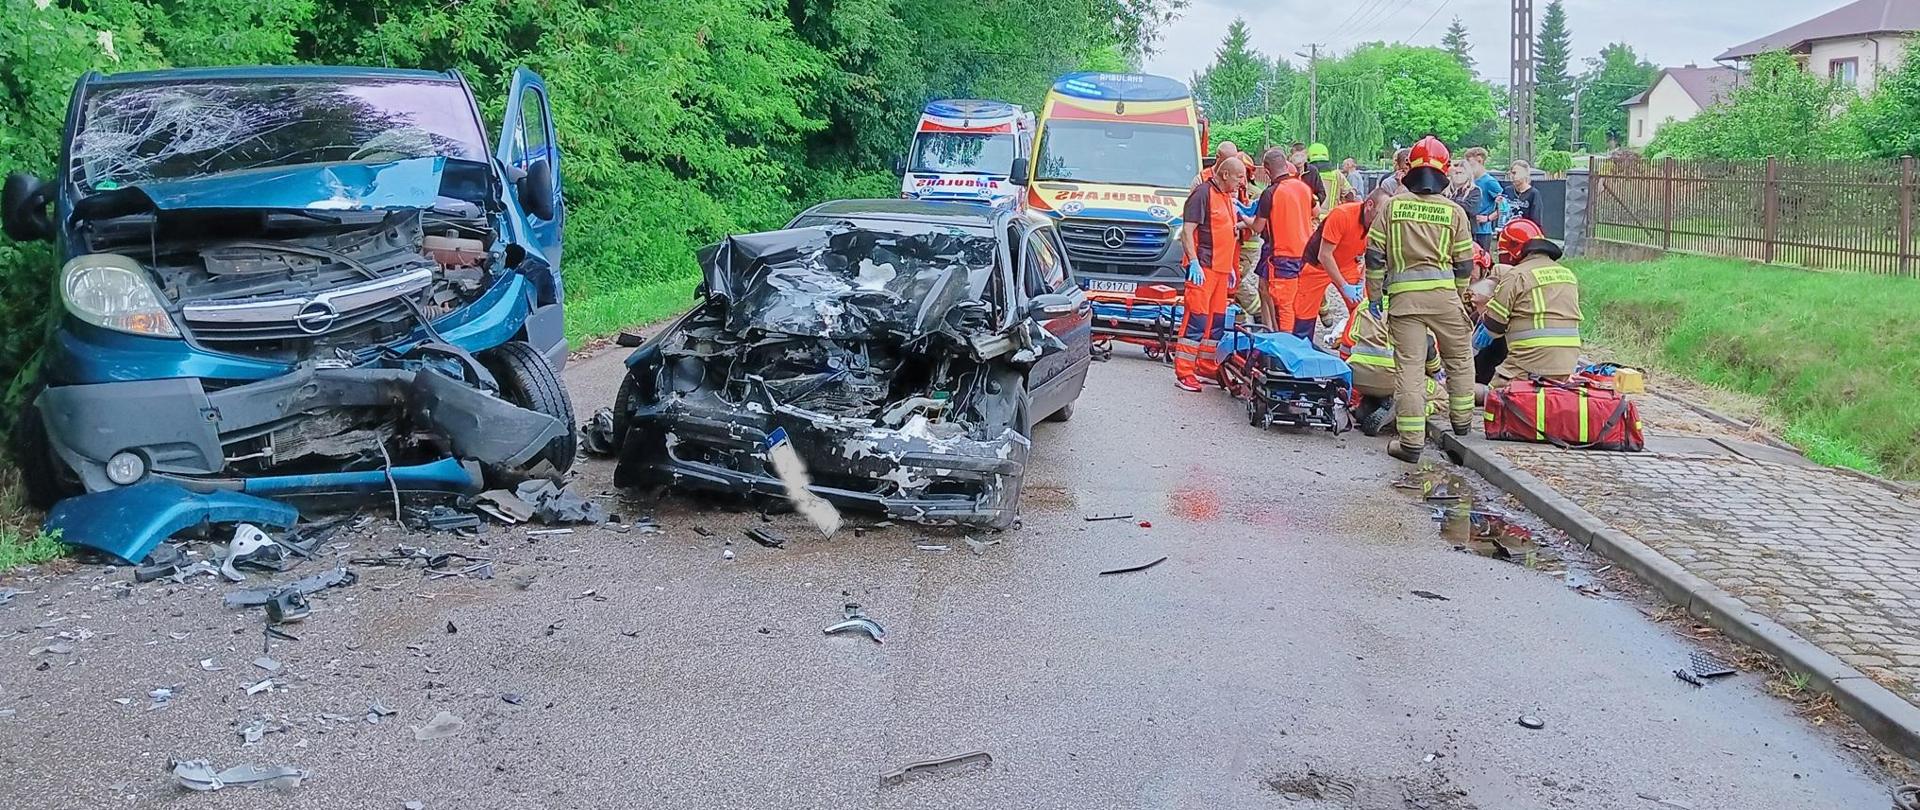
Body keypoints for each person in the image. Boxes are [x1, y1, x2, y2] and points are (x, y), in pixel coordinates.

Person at [1364, 136, 1478, 463]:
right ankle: (1462, 422)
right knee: (1459, 359)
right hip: (1445, 301)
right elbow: (1464, 264)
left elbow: (1374, 257)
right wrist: (1458, 297)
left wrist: (1374, 297)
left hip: (1405, 303)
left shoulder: (1392, 207)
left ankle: (1411, 442)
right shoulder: (1455, 212)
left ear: (1409, 171)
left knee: (1411, 370)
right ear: (1444, 171)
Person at [1174, 155, 1247, 392]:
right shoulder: (1203, 194)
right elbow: (1187, 231)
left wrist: (1231, 270)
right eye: (1239, 177)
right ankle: (1184, 372)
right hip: (1203, 269)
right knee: (1196, 319)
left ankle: (1205, 365)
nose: (1242, 182)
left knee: (1214, 323)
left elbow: (1227, 233)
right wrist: (1193, 262)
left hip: (1221, 270)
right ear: (1225, 175)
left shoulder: (1225, 197)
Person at [1481, 218, 1580, 388]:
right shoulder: (1568, 275)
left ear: (1513, 249)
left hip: (1527, 364)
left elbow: (1493, 328)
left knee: (1495, 395)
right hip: (1567, 364)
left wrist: (1484, 307)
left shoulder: (1516, 276)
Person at [1291, 190, 1379, 342]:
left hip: (1347, 265)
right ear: (1369, 205)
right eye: (1380, 215)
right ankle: (1300, 351)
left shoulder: (1379, 223)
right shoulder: (1343, 215)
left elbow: (1373, 255)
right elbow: (1324, 255)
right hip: (1317, 267)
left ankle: (1355, 350)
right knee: (1303, 318)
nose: (1382, 221)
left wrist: (1361, 280)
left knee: (1364, 310)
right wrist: (1344, 285)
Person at [1247, 152, 1316, 332]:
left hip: (1282, 257)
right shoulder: (1303, 188)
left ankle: (1283, 349)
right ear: (1286, 165)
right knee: (1298, 303)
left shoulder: (1270, 193)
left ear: (1267, 170)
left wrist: (1242, 218)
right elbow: (1315, 212)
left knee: (1282, 308)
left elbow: (1257, 227)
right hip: (1305, 255)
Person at [1463, 146, 1504, 253]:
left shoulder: (1490, 182)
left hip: (1482, 232)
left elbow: (1505, 205)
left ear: (1480, 160)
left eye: (1469, 161)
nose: (1467, 166)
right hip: (1467, 229)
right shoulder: (1467, 181)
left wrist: (1488, 218)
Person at [1306, 142, 1344, 215]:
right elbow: (1349, 193)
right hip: (1331, 218)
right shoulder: (1337, 175)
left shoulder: (1308, 174)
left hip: (1313, 218)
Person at [1506, 160, 1540, 227]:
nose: (1512, 176)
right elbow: (1501, 212)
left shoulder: (1533, 194)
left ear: (1525, 174)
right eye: (1511, 173)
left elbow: (1536, 220)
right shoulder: (1508, 190)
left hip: (1524, 231)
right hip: (1508, 230)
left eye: (1515, 173)